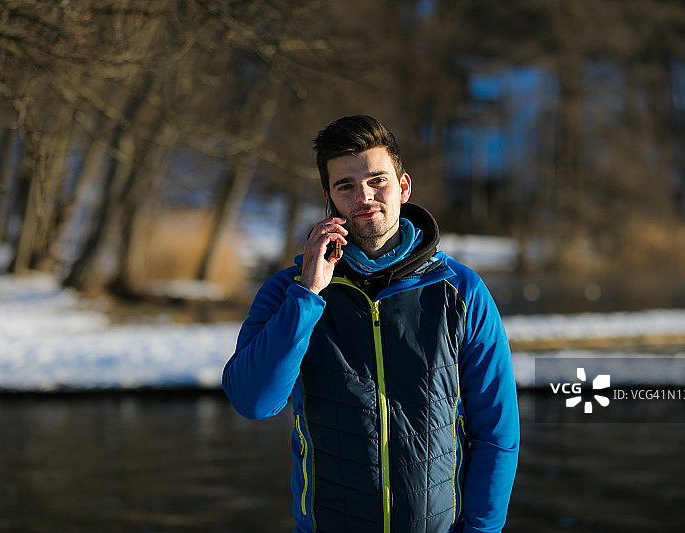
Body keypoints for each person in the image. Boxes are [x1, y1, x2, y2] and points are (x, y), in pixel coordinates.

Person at [222, 115, 519, 533]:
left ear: (404, 186)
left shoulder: (461, 292)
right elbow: (253, 401)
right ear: (330, 198)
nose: (364, 196)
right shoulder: (288, 293)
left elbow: (495, 433)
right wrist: (308, 296)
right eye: (346, 185)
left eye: (378, 180)